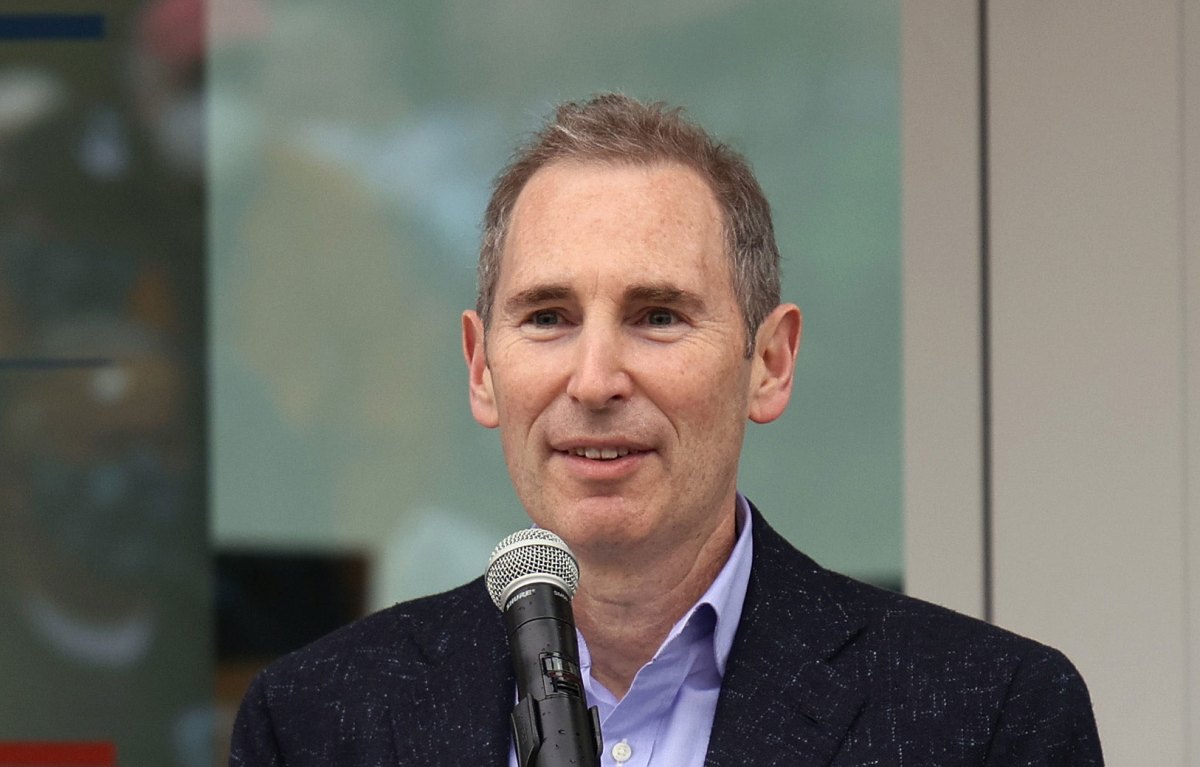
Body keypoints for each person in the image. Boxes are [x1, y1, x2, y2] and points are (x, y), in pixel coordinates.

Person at [229, 93, 1103, 766]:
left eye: (657, 316)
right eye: (546, 317)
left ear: (770, 362)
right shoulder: (314, 722)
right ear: (480, 366)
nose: (596, 379)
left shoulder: (988, 717)